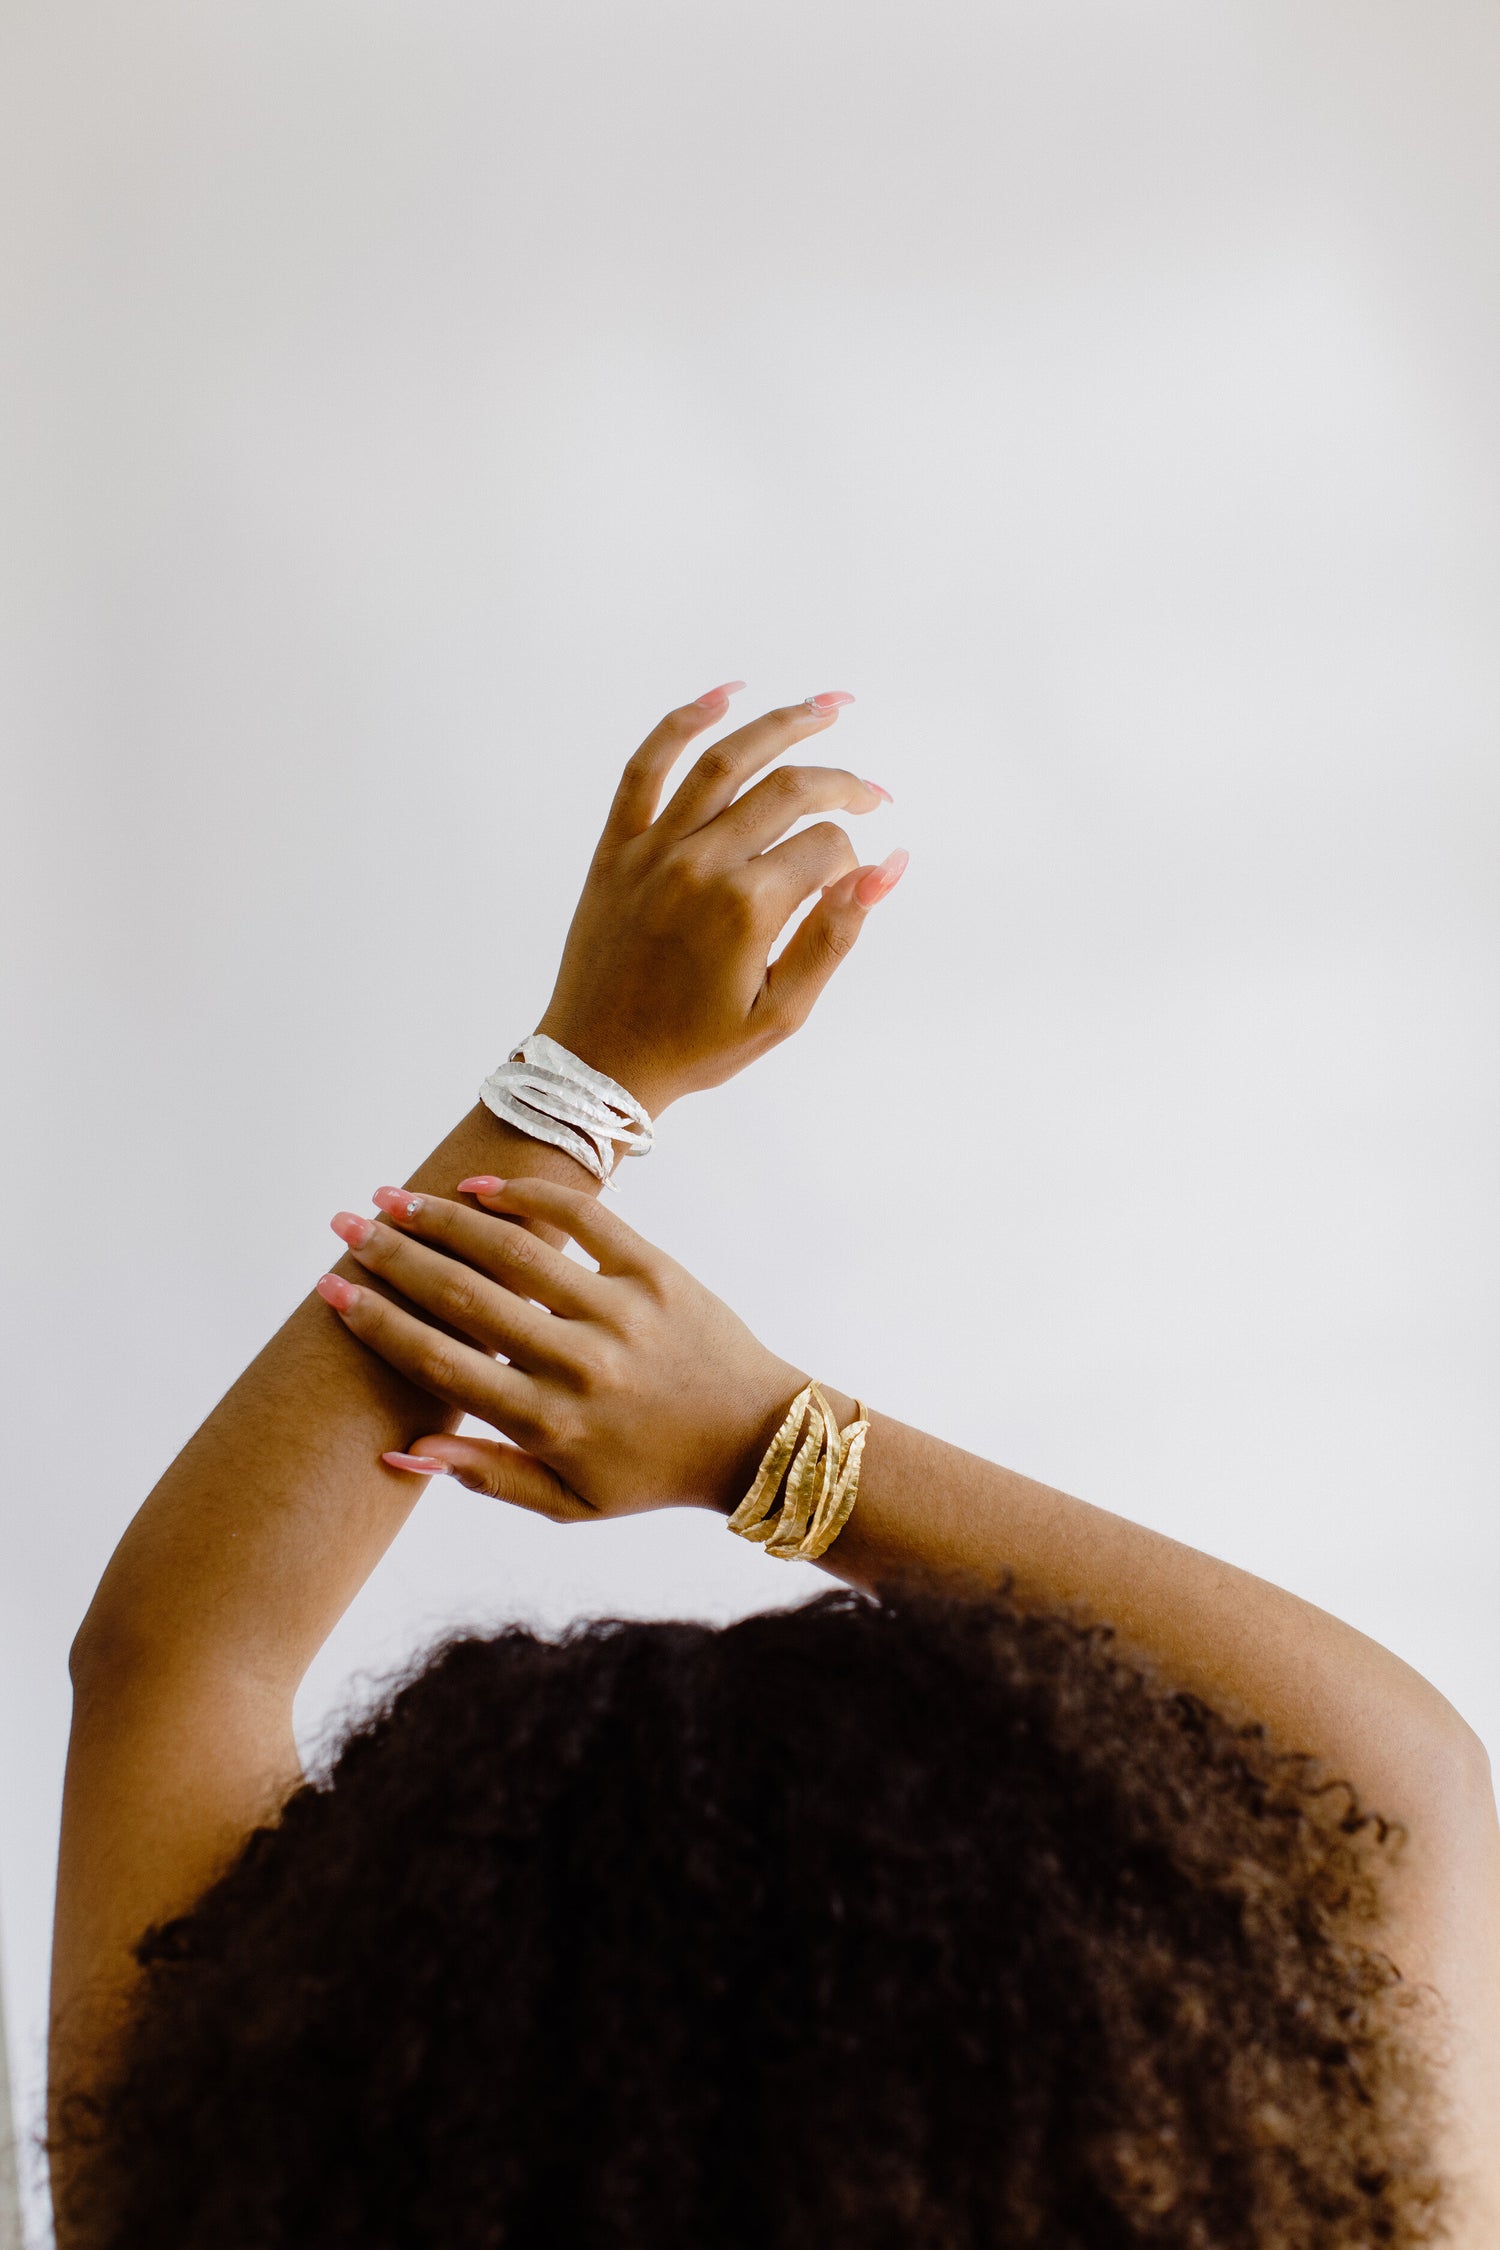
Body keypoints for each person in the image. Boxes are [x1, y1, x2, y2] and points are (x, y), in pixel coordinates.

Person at [48, 688, 1500, 2249]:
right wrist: (759, 1436)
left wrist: (590, 1071)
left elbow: (179, 1658)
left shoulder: (235, 2193)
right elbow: (1393, 1786)